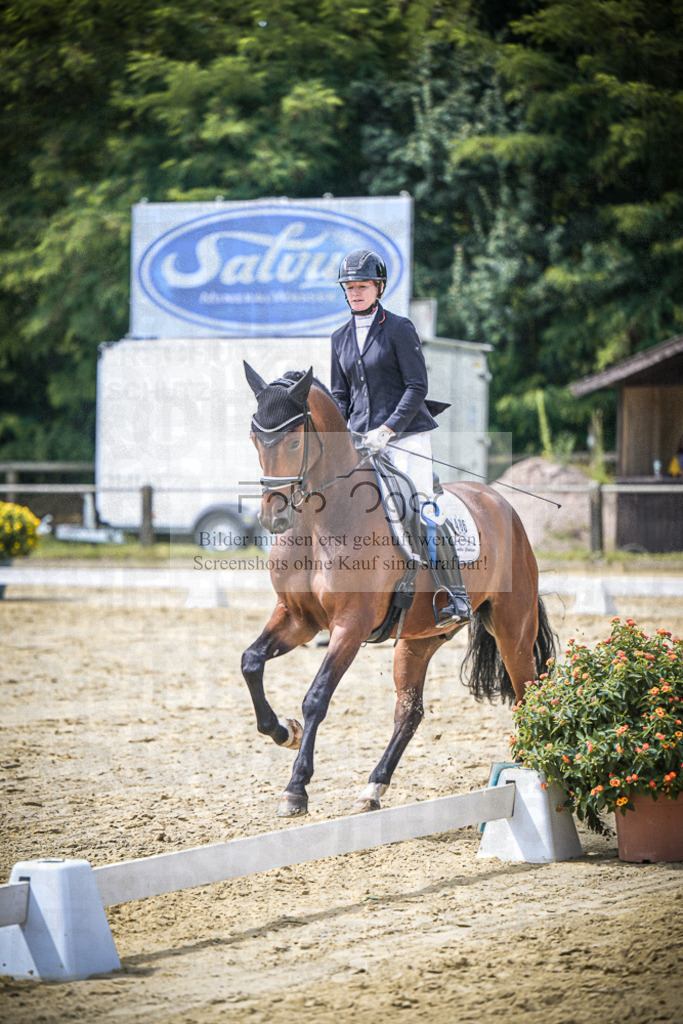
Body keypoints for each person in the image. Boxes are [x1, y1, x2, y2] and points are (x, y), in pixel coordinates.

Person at [330, 248, 472, 626]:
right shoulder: (339, 337)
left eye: (362, 286)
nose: (355, 292)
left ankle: (455, 596)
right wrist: (342, 438)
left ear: (378, 288)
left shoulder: (398, 328)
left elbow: (416, 386)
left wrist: (388, 428)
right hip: (361, 441)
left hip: (406, 436)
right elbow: (341, 396)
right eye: (349, 287)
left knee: (420, 507)